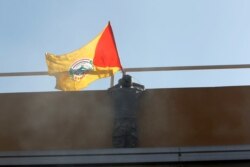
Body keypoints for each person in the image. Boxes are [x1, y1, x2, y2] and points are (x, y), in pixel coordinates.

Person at [108, 74, 144, 148]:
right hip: (129, 119)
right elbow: (142, 89)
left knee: (119, 142)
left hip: (121, 119)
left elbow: (109, 91)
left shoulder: (117, 91)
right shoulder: (134, 91)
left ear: (122, 82)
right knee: (131, 142)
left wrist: (118, 84)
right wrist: (133, 84)